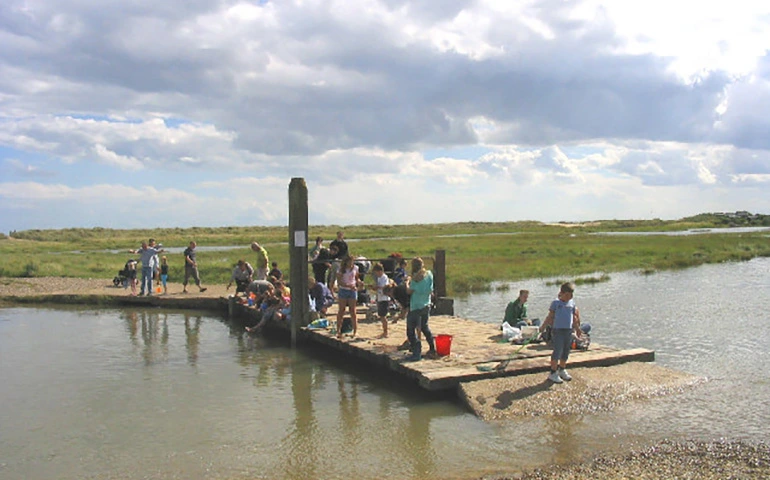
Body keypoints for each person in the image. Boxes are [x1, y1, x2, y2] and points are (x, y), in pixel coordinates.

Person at [539, 282, 582, 384]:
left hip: (568, 330)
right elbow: (550, 316)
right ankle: (553, 372)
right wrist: (543, 327)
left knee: (566, 351)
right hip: (558, 330)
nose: (569, 297)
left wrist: (577, 329)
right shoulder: (556, 303)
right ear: (561, 293)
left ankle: (562, 369)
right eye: (567, 295)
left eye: (571, 295)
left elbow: (574, 319)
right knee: (557, 350)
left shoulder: (572, 304)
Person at [405, 257, 438, 361]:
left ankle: (416, 352)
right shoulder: (429, 274)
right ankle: (432, 348)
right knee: (425, 327)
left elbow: (409, 291)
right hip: (426, 304)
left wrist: (406, 282)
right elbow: (430, 289)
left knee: (411, 330)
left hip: (415, 306)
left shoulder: (415, 279)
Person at [335, 255, 359, 339]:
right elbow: (340, 282)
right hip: (343, 290)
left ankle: (355, 330)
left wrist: (359, 283)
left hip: (352, 290)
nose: (351, 263)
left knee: (353, 310)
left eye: (352, 261)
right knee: (341, 310)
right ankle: (338, 330)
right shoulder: (341, 270)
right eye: (350, 262)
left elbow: (356, 278)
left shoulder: (355, 268)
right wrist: (348, 286)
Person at [370, 263, 393, 338]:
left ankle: (385, 332)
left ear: (379, 271)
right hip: (380, 297)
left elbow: (385, 287)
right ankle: (384, 331)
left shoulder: (384, 277)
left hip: (384, 298)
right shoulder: (379, 278)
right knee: (381, 315)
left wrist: (376, 287)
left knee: (383, 316)